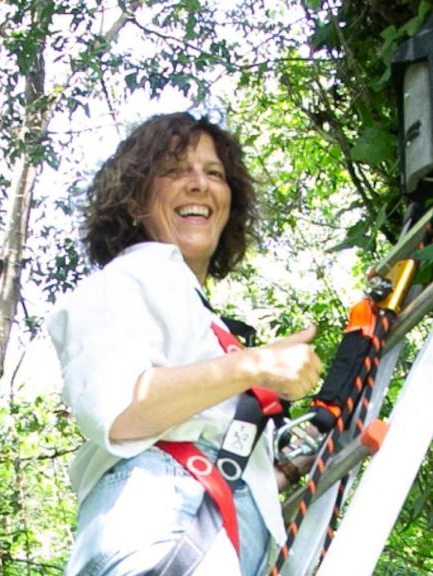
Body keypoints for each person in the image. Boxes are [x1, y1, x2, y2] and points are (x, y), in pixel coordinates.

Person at [47, 112, 322, 576]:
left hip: (209, 535)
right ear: (136, 197)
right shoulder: (126, 280)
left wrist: (285, 467)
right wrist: (253, 366)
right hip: (160, 532)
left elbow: (218, 460)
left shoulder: (196, 316)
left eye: (214, 174)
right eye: (175, 171)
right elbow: (121, 409)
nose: (199, 184)